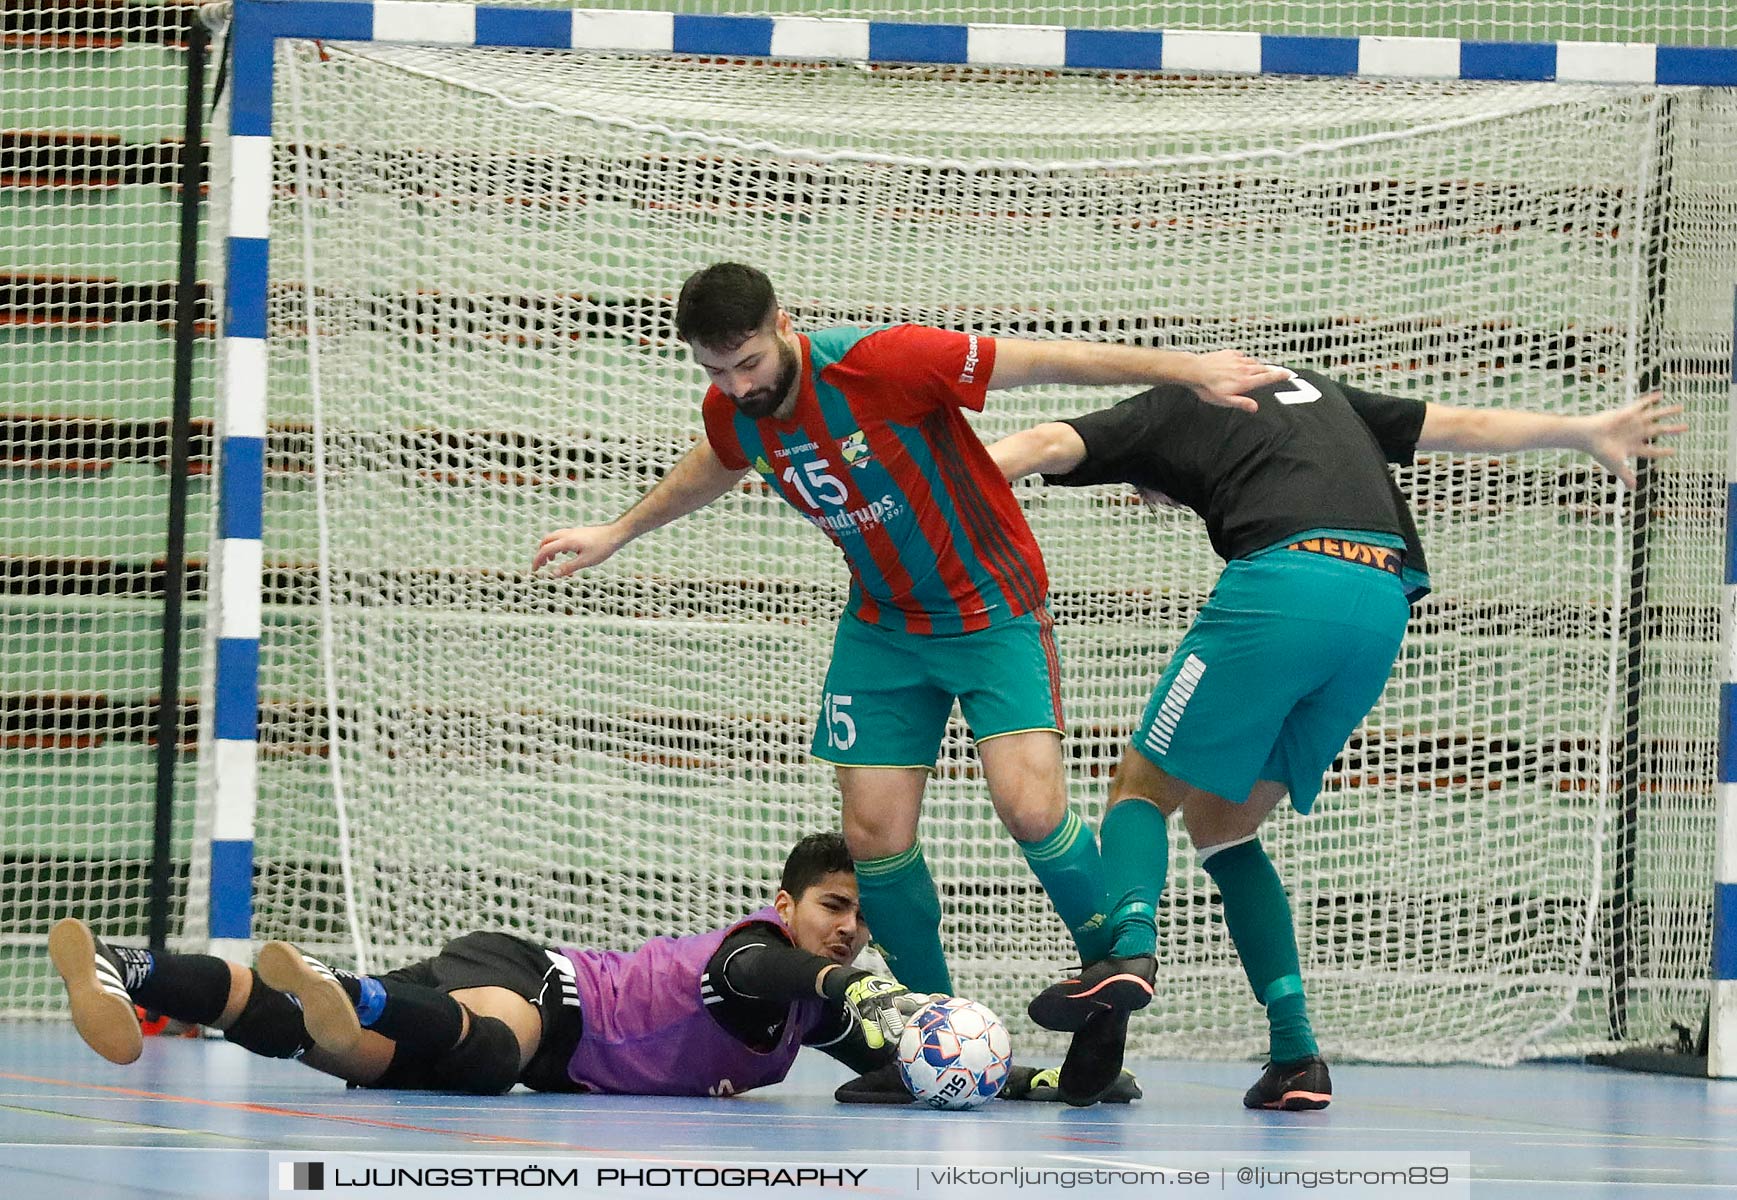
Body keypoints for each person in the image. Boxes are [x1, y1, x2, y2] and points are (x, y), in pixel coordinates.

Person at [533, 262, 1285, 1003]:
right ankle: (932, 1028)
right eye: (714, 370)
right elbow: (718, 460)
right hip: (883, 626)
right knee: (872, 839)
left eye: (748, 363)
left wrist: (1185, 369)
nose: (736, 386)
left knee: (1030, 810)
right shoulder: (732, 409)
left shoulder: (881, 362)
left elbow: (1047, 361)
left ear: (784, 326)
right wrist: (619, 530)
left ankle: (1112, 980)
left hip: (992, 609)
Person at [992, 369, 1685, 1108]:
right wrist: (1584, 431)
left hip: (1285, 585)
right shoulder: (1320, 394)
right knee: (1222, 827)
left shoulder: (1169, 400)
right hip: (1379, 607)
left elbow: (1038, 443)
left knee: (1142, 786)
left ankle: (1127, 948)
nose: (1149, 497)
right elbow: (1465, 428)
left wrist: (932, 484)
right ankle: (1295, 1057)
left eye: (1145, 487)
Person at [50, 832, 1132, 1103]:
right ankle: (363, 995)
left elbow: (908, 1062)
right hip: (541, 989)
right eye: (834, 909)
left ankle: (127, 968)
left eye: (859, 919)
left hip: (517, 1035)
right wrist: (859, 984)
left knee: (312, 1038)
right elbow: (782, 983)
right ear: (789, 902)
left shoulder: (824, 1015)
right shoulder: (757, 958)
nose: (847, 930)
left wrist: (1042, 1080)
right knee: (489, 1052)